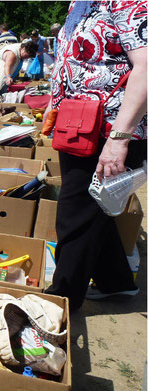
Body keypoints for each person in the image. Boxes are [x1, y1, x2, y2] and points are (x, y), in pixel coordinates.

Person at [43, 1, 147, 310]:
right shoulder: (81, 4)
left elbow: (145, 66)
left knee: (76, 213)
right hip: (78, 124)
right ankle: (115, 283)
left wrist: (118, 139)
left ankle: (59, 301)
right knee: (93, 209)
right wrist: (55, 99)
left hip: (110, 130)